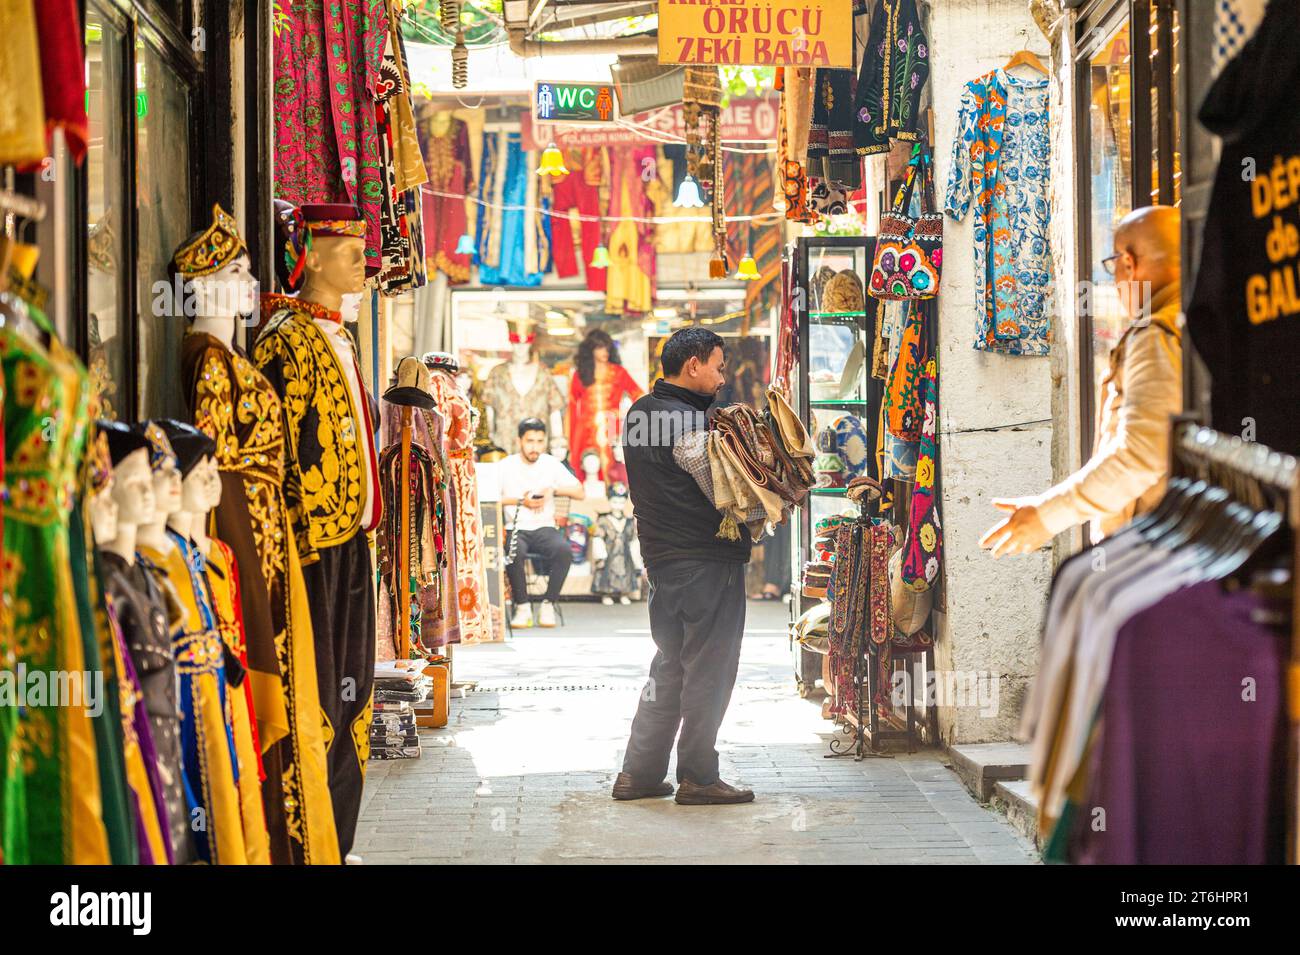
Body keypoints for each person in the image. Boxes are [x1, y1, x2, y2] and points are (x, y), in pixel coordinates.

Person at [614, 326, 765, 806]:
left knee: (671, 666)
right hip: (705, 561)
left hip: (661, 561)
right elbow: (726, 490)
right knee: (708, 669)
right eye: (719, 367)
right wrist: (770, 504)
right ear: (694, 363)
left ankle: (638, 774)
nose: (723, 378)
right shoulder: (687, 424)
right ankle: (699, 776)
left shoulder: (641, 413)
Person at [979, 206, 1183, 557]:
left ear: (1130, 264)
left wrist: (1047, 514)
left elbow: (1141, 456)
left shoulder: (1156, 336)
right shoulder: (1199, 320)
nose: (1114, 280)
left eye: (1113, 264)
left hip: (1156, 552)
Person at [498, 417, 585, 628]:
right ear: (519, 441)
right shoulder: (506, 465)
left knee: (564, 549)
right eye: (530, 441)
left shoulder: (551, 463)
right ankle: (522, 606)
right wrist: (521, 501)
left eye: (539, 441)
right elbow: (491, 498)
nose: (534, 447)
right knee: (513, 551)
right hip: (516, 527)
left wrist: (553, 490)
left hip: (545, 527)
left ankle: (548, 603)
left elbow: (580, 492)